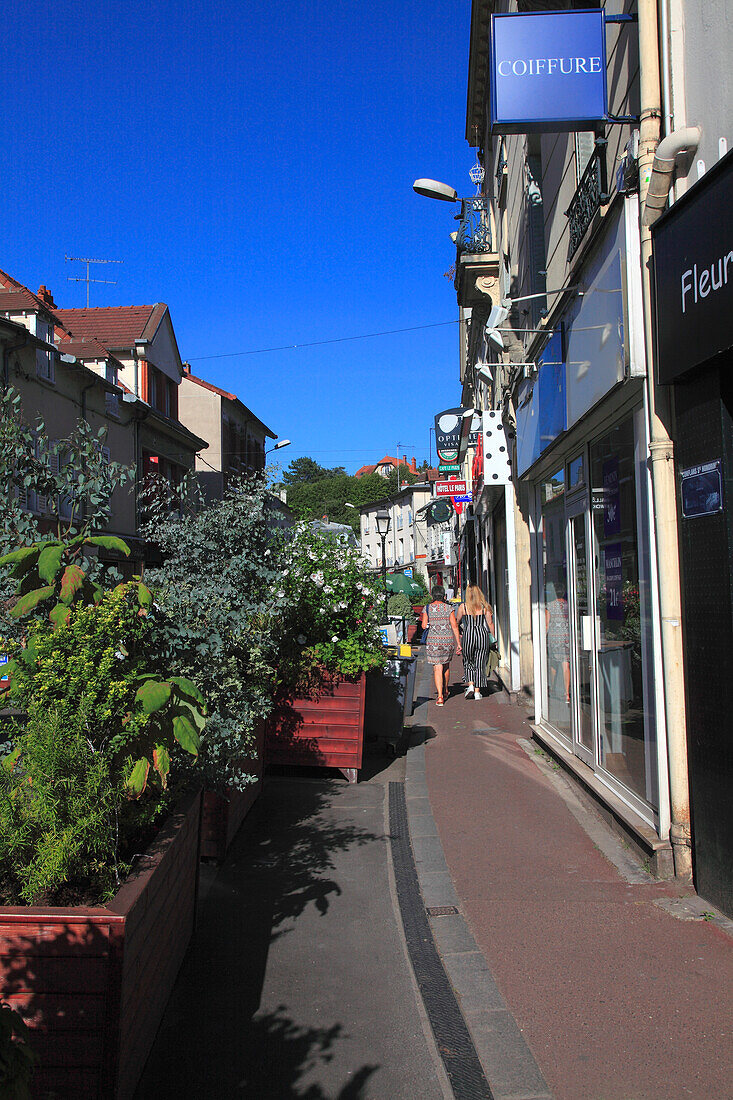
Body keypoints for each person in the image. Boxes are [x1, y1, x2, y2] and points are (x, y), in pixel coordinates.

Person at [421, 584, 461, 706]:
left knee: (437, 668)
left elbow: (423, 626)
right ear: (443, 595)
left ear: (432, 595)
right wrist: (458, 643)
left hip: (433, 642)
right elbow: (454, 625)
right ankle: (445, 689)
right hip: (447, 640)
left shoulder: (427, 608)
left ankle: (439, 697)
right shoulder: (449, 608)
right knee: (446, 666)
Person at [455, 585, 495, 700]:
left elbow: (457, 621)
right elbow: (490, 623)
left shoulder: (464, 607)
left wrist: (460, 632)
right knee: (480, 662)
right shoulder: (484, 606)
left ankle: (471, 685)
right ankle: (477, 692)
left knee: (468, 660)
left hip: (469, 634)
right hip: (482, 634)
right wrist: (493, 637)